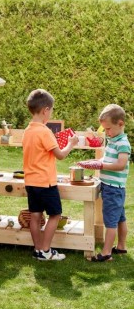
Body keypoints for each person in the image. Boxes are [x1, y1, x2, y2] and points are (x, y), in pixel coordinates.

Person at [22, 89, 79, 261]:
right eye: (51, 110)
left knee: (35, 216)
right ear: (46, 110)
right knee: (55, 215)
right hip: (45, 182)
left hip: (31, 181)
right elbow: (60, 155)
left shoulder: (28, 130)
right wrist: (71, 143)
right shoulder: (45, 131)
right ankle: (46, 250)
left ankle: (38, 250)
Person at [77, 104, 131, 262]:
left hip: (114, 189)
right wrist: (96, 161)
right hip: (111, 188)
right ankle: (121, 247)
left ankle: (106, 252)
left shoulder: (123, 143)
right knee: (120, 219)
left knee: (111, 222)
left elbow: (120, 165)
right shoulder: (113, 140)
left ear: (120, 124)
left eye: (108, 129)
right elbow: (107, 160)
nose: (106, 132)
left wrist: (100, 165)